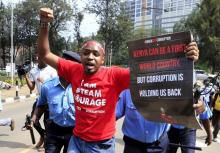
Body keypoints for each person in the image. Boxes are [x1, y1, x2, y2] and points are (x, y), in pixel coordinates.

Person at [37, 8, 200, 153]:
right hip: (77, 142)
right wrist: (44, 24)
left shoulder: (115, 76)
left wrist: (185, 57)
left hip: (101, 146)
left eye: (95, 54)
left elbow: (154, 73)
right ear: (80, 57)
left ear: (102, 59)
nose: (90, 57)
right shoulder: (73, 70)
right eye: (86, 53)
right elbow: (45, 54)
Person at [31, 51, 81, 153]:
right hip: (53, 132)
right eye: (59, 64)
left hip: (75, 133)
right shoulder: (47, 86)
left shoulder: (82, 87)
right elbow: (41, 105)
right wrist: (34, 118)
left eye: (64, 65)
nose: (60, 67)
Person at [24, 54, 57, 149]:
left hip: (50, 100)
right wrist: (26, 77)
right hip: (40, 100)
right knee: (33, 122)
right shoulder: (33, 71)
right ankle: (43, 136)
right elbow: (32, 87)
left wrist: (45, 82)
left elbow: (56, 85)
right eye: (37, 57)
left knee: (47, 123)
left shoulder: (52, 70)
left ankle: (47, 143)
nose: (38, 58)